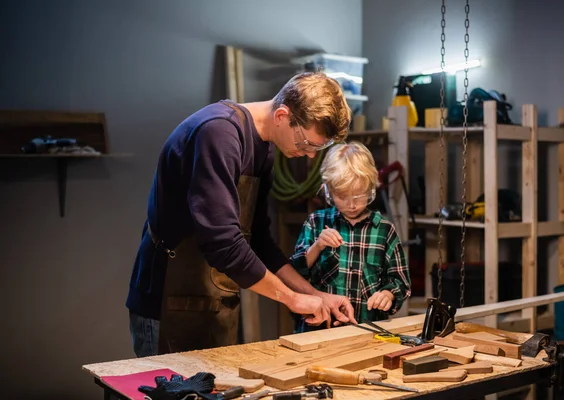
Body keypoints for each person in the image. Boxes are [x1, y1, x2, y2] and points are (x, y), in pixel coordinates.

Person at [126, 72, 358, 357]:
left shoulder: (264, 151)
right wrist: (291, 299)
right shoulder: (219, 133)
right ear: (282, 115)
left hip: (213, 301)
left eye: (317, 149)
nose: (309, 155)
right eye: (305, 144)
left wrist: (315, 295)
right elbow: (223, 243)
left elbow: (258, 241)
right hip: (164, 301)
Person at [289, 141, 411, 332]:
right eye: (342, 196)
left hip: (368, 330)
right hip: (319, 329)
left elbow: (400, 282)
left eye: (359, 196)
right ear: (329, 190)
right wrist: (318, 245)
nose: (351, 205)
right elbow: (294, 275)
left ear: (371, 188)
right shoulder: (316, 223)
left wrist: (388, 294)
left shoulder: (384, 230)